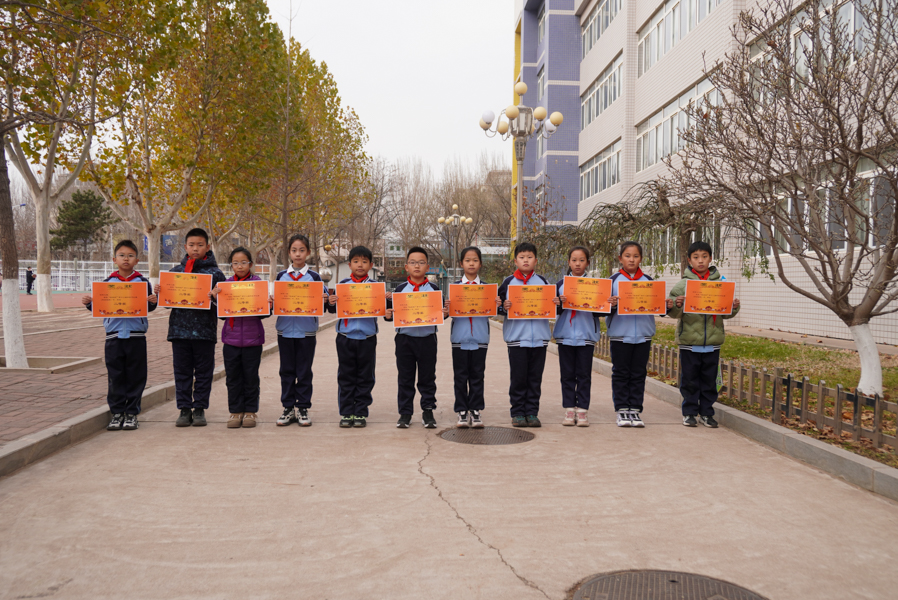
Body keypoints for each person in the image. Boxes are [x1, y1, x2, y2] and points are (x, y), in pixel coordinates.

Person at [154, 228, 226, 427]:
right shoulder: (175, 272)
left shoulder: (216, 274)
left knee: (204, 373)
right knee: (182, 372)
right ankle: (184, 409)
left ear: (207, 247)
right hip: (179, 332)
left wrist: (215, 297)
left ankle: (200, 408)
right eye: (192, 245)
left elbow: (224, 306)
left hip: (205, 332)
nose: (196, 249)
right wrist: (160, 292)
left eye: (200, 245)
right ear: (185, 247)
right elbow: (167, 303)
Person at [82, 240, 157, 430]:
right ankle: (116, 413)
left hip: (136, 337)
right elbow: (100, 307)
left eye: (130, 256)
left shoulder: (142, 282)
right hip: (113, 337)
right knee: (115, 375)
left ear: (137, 260)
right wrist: (89, 303)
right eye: (122, 255)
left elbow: (148, 307)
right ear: (114, 259)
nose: (126, 259)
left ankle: (131, 413)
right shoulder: (107, 284)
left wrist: (153, 301)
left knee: (136, 376)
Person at [667, 240, 741, 428]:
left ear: (710, 258)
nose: (700, 261)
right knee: (690, 379)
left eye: (704, 257)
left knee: (709, 380)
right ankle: (689, 412)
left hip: (713, 342)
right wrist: (677, 304)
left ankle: (707, 413)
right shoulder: (682, 285)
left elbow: (726, 313)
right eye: (696, 257)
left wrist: (733, 306)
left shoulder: (720, 284)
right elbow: (674, 313)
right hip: (689, 342)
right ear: (689, 260)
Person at [606, 241, 672, 427]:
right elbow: (602, 309)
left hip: (643, 335)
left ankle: (634, 410)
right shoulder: (612, 281)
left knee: (638, 373)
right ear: (620, 258)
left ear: (641, 259)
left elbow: (659, 309)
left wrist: (666, 306)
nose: (631, 259)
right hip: (620, 335)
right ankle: (621, 410)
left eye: (635, 256)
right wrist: (611, 304)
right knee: (620, 373)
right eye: (627, 256)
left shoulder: (649, 281)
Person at [327, 246, 392, 428]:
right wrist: (331, 302)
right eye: (356, 261)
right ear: (349, 265)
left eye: (364, 261)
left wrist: (388, 300)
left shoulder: (377, 288)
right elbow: (333, 310)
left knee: (365, 376)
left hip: (367, 337)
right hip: (345, 337)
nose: (360, 265)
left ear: (371, 265)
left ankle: (361, 412)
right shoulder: (343, 286)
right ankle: (347, 412)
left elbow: (386, 313)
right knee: (346, 376)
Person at [273, 234, 329, 427]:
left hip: (307, 332)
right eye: (294, 250)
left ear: (309, 253)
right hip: (285, 331)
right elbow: (275, 300)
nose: (298, 254)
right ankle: (288, 408)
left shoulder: (314, 277)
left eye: (302, 250)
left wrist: (324, 299)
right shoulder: (281, 276)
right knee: (286, 371)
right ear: (288, 253)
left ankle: (303, 408)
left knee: (304, 372)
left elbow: (325, 301)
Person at [210, 247, 270, 429]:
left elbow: (264, 314)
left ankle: (250, 411)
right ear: (231, 266)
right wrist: (215, 298)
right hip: (231, 340)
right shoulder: (225, 286)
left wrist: (268, 304)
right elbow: (222, 316)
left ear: (250, 264)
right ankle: (235, 411)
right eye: (235, 263)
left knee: (251, 377)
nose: (240, 266)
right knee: (233, 378)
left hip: (253, 340)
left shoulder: (258, 284)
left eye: (244, 262)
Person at [387, 247, 447, 429]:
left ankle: (428, 411)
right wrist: (388, 314)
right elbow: (391, 314)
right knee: (405, 377)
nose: (417, 266)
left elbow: (441, 314)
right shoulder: (399, 290)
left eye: (421, 262)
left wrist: (445, 313)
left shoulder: (434, 289)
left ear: (427, 266)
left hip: (428, 339)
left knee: (427, 377)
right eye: (413, 262)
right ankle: (405, 413)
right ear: (406, 266)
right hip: (405, 339)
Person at [498, 242, 553, 427]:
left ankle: (532, 412)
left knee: (535, 378)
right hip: (517, 339)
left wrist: (554, 302)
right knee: (518, 378)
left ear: (536, 260)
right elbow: (497, 306)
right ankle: (518, 413)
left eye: (529, 257)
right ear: (515, 261)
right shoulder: (508, 283)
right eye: (522, 257)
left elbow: (552, 306)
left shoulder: (544, 282)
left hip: (539, 339)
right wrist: (504, 306)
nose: (526, 260)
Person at [445, 247, 498, 428]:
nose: (471, 263)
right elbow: (445, 313)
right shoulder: (454, 289)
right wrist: (446, 308)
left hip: (480, 339)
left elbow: (493, 311)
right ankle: (461, 410)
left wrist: (496, 304)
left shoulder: (487, 289)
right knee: (460, 376)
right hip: (459, 339)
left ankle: (475, 410)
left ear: (480, 263)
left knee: (477, 375)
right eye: (467, 260)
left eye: (475, 260)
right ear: (461, 264)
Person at [553, 246, 600, 427]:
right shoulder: (560, 285)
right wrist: (559, 303)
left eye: (581, 260)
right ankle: (569, 409)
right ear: (569, 262)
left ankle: (582, 411)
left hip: (586, 336)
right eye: (574, 260)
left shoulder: (596, 286)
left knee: (584, 375)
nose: (578, 263)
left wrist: (605, 303)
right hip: (565, 336)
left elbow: (602, 312)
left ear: (588, 262)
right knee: (567, 375)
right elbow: (553, 310)